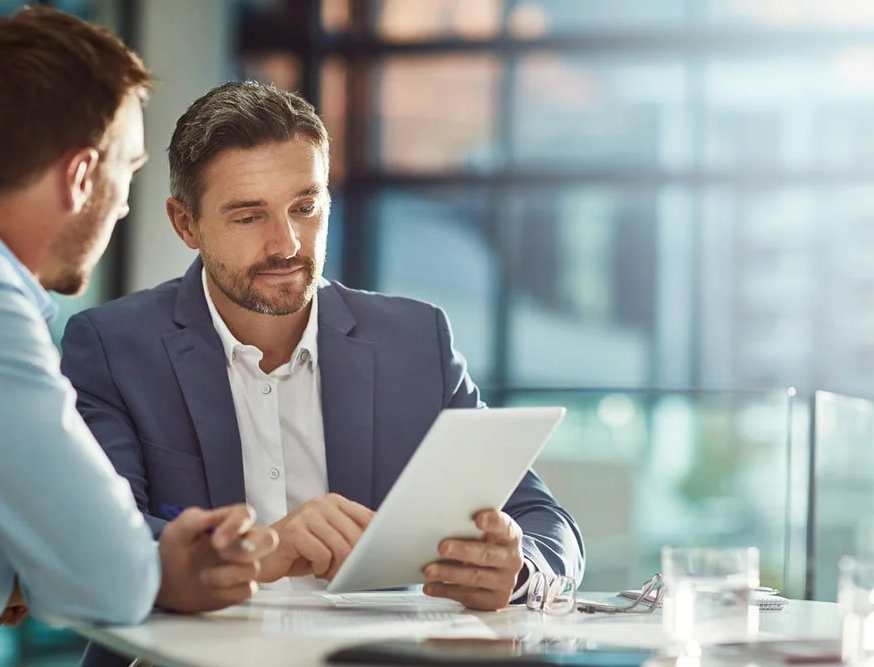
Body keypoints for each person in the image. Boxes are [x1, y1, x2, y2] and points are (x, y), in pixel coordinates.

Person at [60, 80, 584, 640]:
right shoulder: (113, 346)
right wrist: (266, 549)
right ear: (185, 223)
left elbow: (548, 525)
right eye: (248, 217)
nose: (285, 243)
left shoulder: (414, 340)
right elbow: (102, 541)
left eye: (305, 207)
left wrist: (519, 568)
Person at [0, 11, 276, 667]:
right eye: (129, 170)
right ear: (82, 174)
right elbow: (108, 577)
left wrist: (12, 567)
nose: (123, 204)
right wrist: (158, 564)